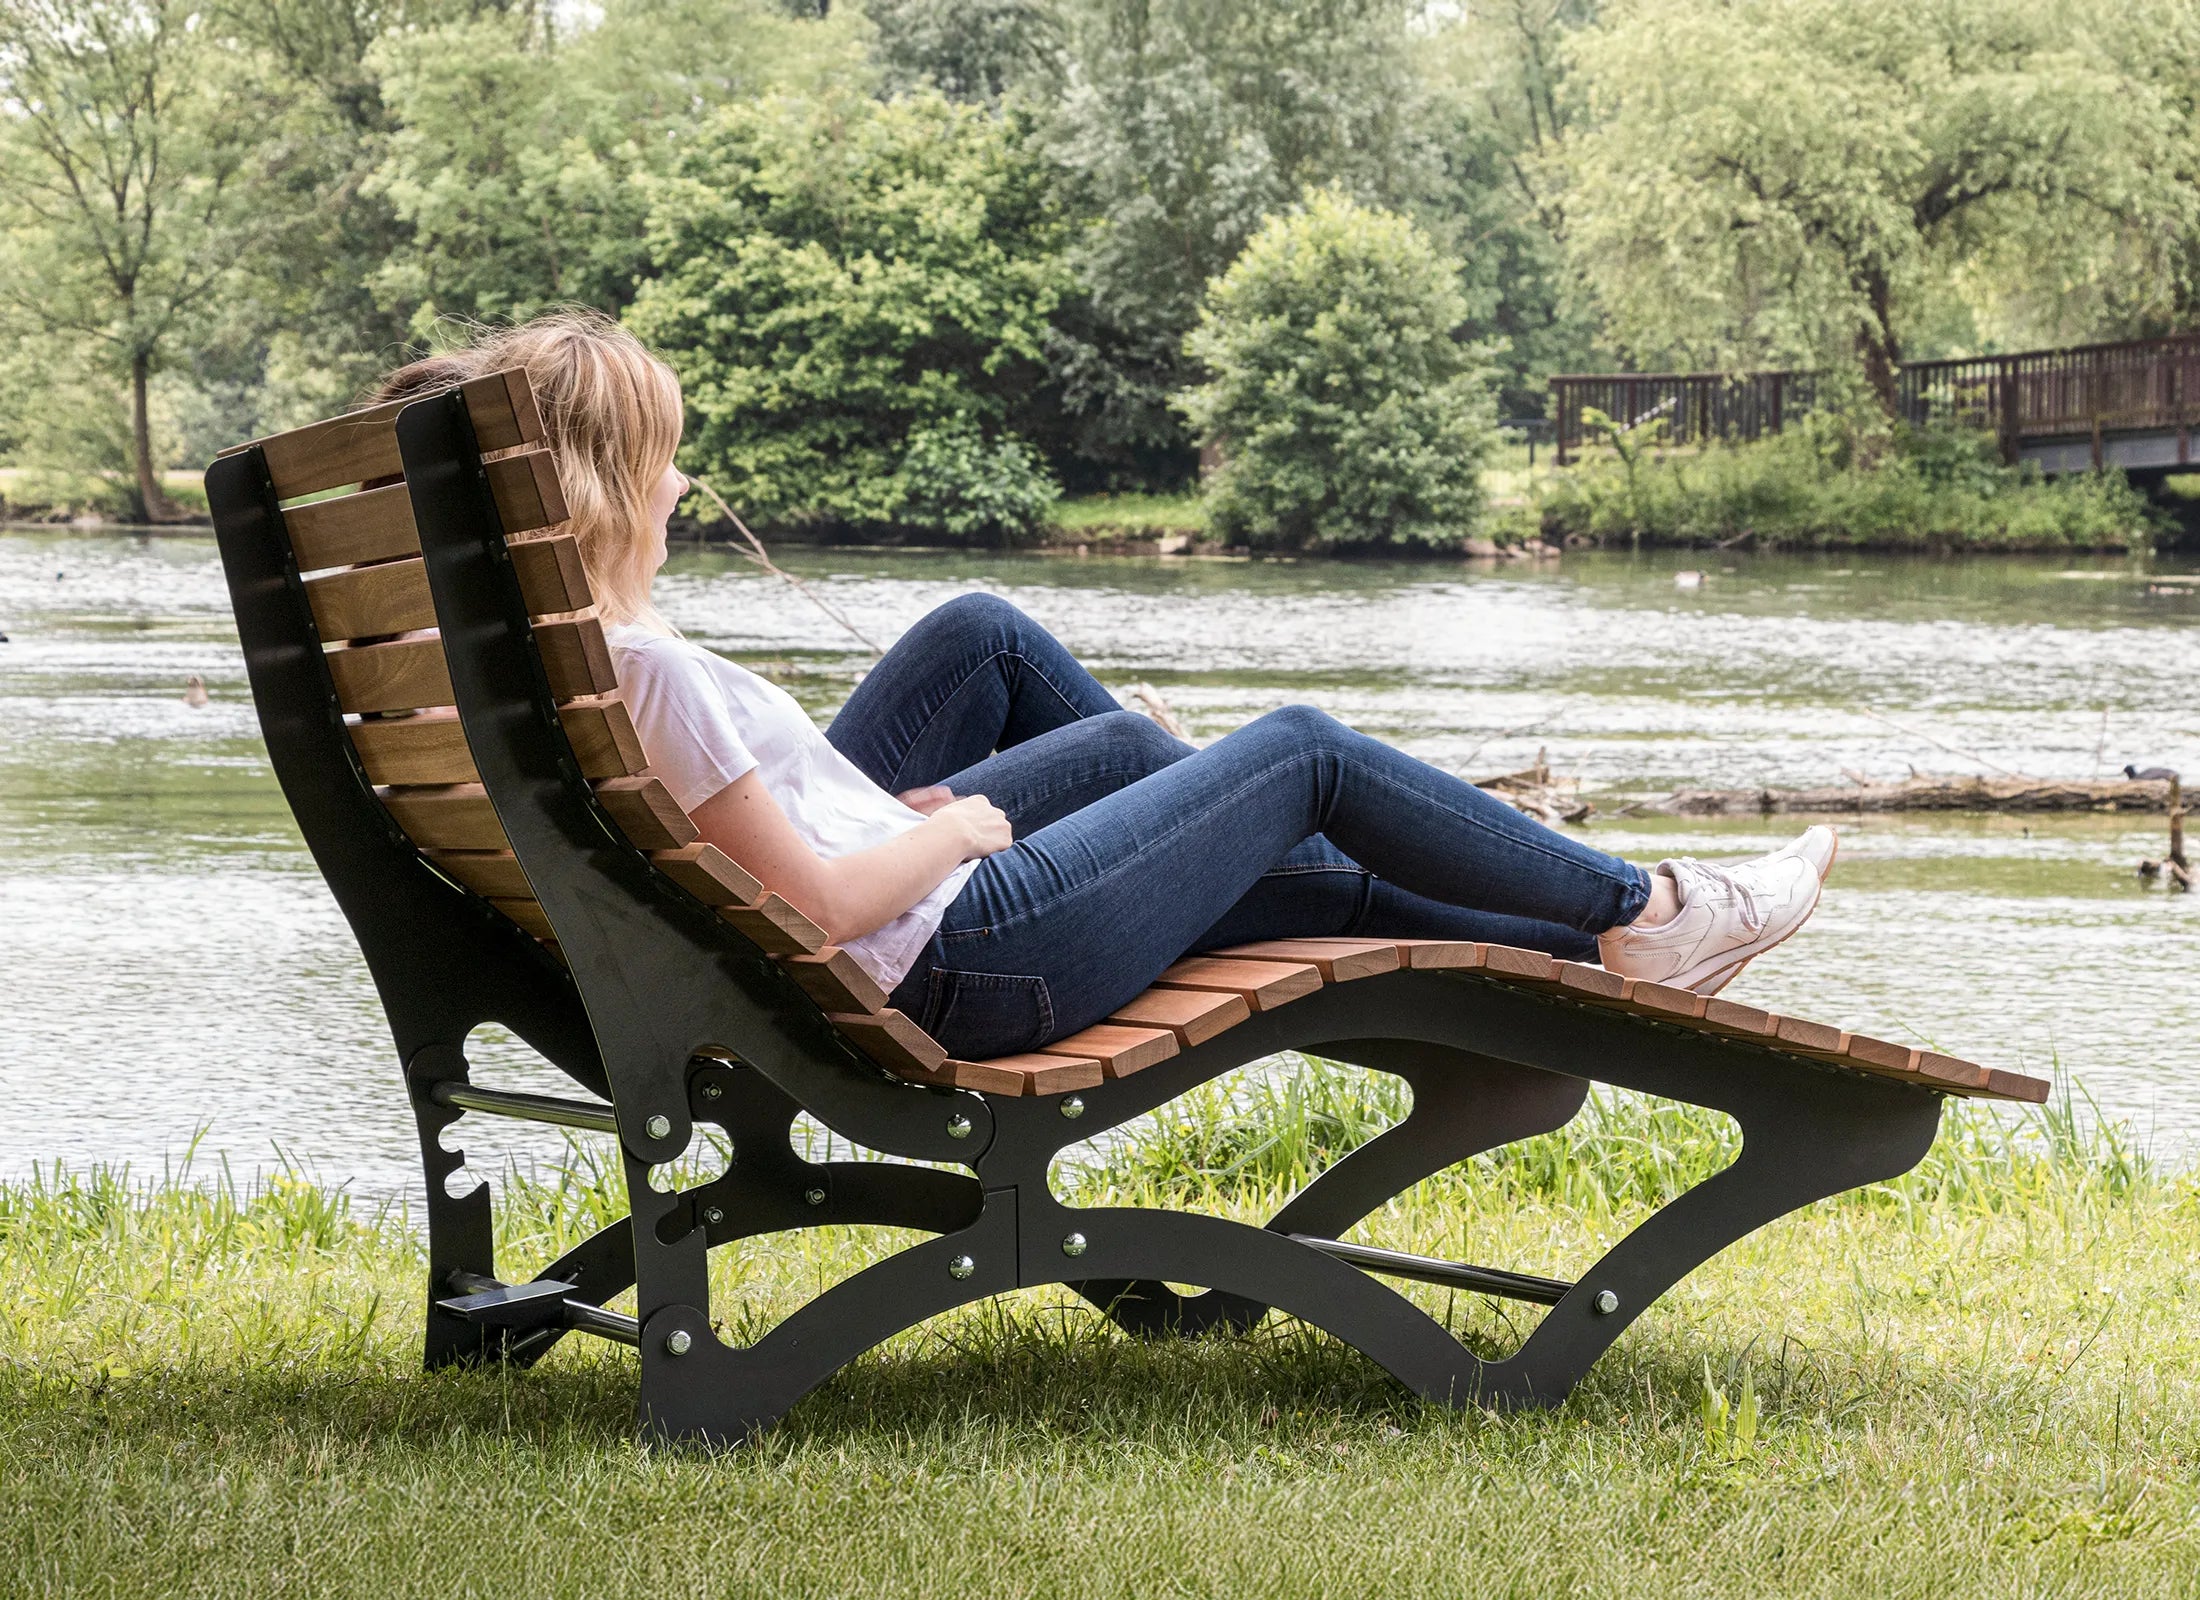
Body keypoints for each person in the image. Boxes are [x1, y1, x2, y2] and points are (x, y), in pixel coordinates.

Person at [378, 314, 1835, 1061]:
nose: (688, 480)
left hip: (864, 935)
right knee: (1303, 754)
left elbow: (771, 876)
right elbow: (818, 911)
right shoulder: (652, 678)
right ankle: (1644, 915)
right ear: (603, 492)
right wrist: (951, 834)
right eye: (664, 460)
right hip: (953, 963)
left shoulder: (536, 664)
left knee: (999, 645)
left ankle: (1302, 850)